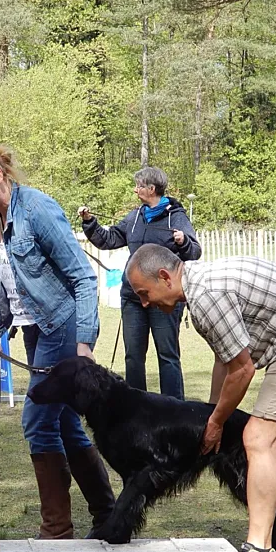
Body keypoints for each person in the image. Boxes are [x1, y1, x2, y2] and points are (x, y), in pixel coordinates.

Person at [125, 244, 276, 552]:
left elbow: (243, 371)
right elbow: (225, 358)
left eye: (145, 293)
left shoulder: (206, 297)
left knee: (258, 439)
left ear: (165, 276)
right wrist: (209, 413)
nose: (145, 302)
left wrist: (216, 423)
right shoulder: (203, 281)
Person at [0, 143, 115, 540]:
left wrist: (85, 343)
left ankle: (56, 532)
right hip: (32, 329)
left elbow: (83, 277)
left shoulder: (38, 209)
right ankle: (109, 516)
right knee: (63, 423)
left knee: (37, 420)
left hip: (62, 327)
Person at [79, 165, 201, 399]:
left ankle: (173, 409)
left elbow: (195, 252)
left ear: (152, 188)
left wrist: (183, 241)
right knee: (133, 356)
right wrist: (90, 222)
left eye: (139, 186)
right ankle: (134, 408)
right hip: (133, 298)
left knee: (167, 355)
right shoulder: (135, 217)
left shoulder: (176, 217)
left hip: (164, 299)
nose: (136, 190)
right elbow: (109, 239)